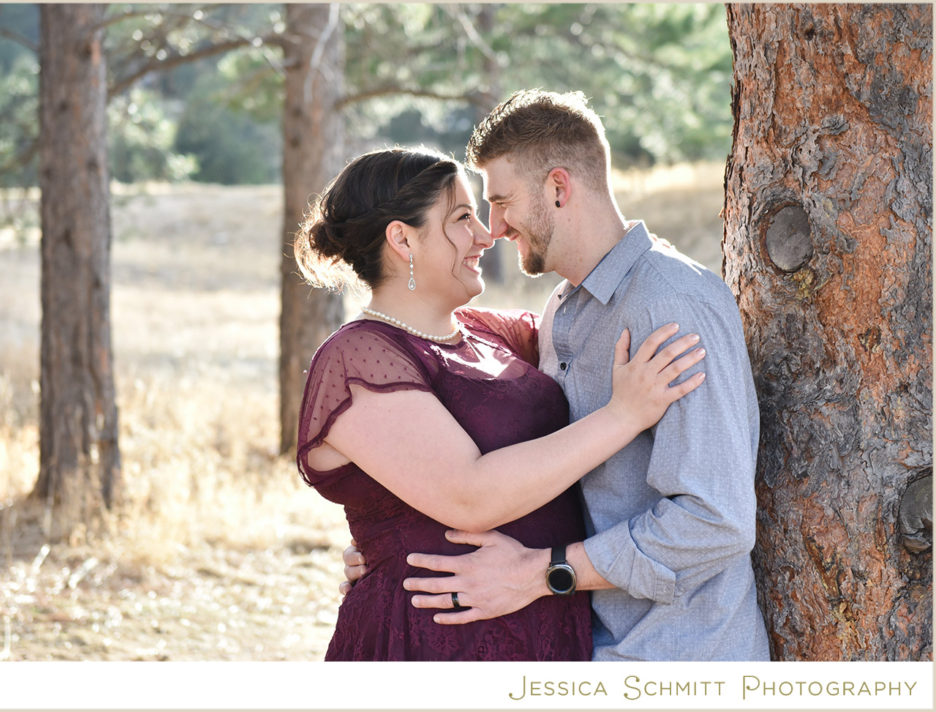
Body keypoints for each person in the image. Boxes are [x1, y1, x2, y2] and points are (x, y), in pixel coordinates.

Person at [344, 90, 771, 661]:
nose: (494, 228)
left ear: (559, 188)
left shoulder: (672, 305)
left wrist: (549, 573)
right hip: (586, 649)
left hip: (678, 656)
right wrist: (390, 540)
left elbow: (716, 520)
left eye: (501, 202)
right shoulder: (562, 311)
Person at [294, 146, 706, 661]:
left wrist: (663, 274)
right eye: (463, 218)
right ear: (402, 239)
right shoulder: (357, 357)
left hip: (547, 626)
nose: (486, 236)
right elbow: (470, 497)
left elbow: (605, 305)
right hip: (432, 640)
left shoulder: (490, 333)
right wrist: (622, 417)